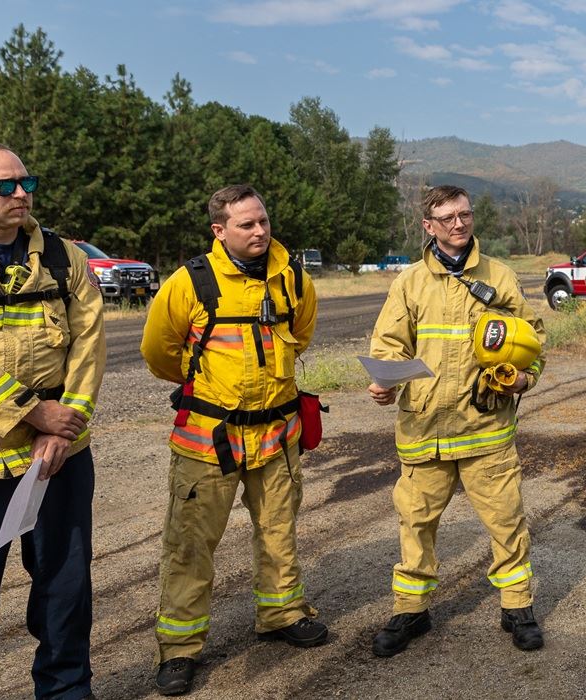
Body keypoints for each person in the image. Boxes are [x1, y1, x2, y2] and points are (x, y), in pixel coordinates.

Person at [141, 184, 325, 696]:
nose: (260, 231)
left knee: (278, 532)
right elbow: (158, 353)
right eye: (247, 224)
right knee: (190, 546)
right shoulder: (188, 283)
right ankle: (179, 650)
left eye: (263, 220)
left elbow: (302, 333)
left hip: (278, 434)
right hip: (208, 440)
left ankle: (281, 613)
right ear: (219, 231)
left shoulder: (293, 278)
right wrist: (211, 385)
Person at [367, 185, 547, 656]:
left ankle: (517, 607)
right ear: (428, 226)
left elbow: (535, 342)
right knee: (415, 525)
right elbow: (389, 344)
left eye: (465, 214)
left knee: (507, 522)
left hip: (485, 428)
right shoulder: (408, 283)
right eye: (446, 218)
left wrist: (523, 380)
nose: (459, 224)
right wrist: (385, 382)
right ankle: (410, 611)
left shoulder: (500, 277)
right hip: (423, 429)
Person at [0, 140, 105, 699]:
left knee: (65, 587)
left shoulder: (66, 258)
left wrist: (65, 424)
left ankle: (67, 690)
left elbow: (90, 345)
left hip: (59, 458)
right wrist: (32, 413)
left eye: (26, 183)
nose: (21, 193)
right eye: (5, 185)